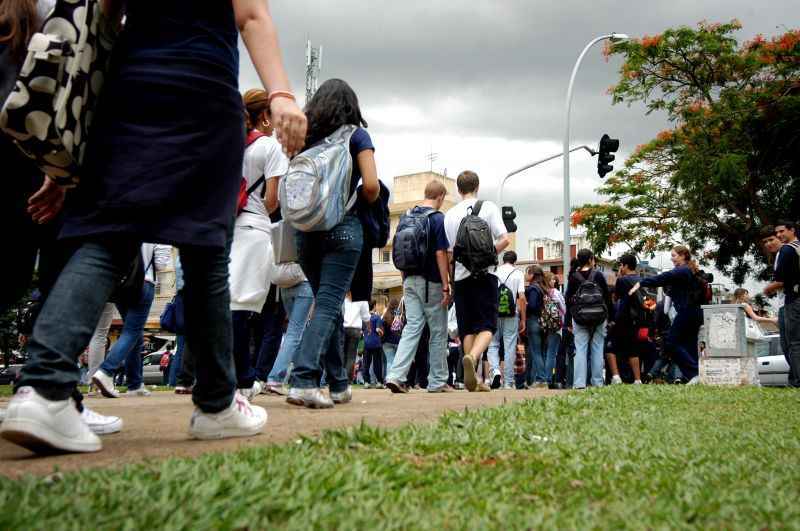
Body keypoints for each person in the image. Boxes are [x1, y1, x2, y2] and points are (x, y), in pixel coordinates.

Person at [1, 0, 307, 454]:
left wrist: (69, 145)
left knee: (107, 238)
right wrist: (280, 93)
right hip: (202, 85)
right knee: (206, 251)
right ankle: (217, 404)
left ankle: (42, 388)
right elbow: (250, 15)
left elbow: (102, 20)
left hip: (127, 89)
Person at [286, 79, 379, 409]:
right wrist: (368, 197)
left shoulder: (304, 135)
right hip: (343, 228)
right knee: (328, 304)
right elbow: (370, 185)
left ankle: (339, 384)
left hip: (305, 232)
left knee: (328, 304)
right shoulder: (357, 135)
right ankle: (303, 379)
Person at [229, 88, 290, 400]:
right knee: (243, 305)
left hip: (227, 227)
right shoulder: (269, 147)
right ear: (265, 116)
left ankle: (230, 375)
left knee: (230, 302)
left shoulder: (230, 141)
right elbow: (272, 199)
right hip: (255, 227)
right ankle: (242, 378)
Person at [444, 171, 510, 392]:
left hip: (461, 277)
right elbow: (505, 239)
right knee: (488, 325)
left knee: (468, 328)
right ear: (477, 187)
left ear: (458, 189)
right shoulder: (489, 207)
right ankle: (472, 358)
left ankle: (475, 380)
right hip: (486, 274)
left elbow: (451, 252)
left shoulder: (449, 215)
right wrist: (488, 256)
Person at [385, 180, 451, 393]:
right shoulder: (437, 218)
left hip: (409, 279)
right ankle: (438, 380)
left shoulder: (406, 216)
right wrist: (445, 284)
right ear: (440, 196)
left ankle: (396, 375)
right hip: (430, 280)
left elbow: (401, 249)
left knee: (412, 327)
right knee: (438, 330)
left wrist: (404, 278)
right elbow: (441, 253)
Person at [92, 244, 172, 398]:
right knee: (132, 331)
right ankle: (106, 371)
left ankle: (135, 384)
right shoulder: (158, 226)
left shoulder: (122, 221)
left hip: (120, 284)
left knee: (135, 334)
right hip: (144, 282)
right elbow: (161, 264)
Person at [630, 245, 704, 385]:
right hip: (695, 312)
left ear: (683, 256)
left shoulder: (682, 270)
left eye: (674, 255)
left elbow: (664, 278)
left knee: (671, 342)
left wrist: (642, 282)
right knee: (688, 344)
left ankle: (694, 372)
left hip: (687, 312)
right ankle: (696, 376)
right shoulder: (689, 270)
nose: (672, 258)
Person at [565, 249, 612, 389]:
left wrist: (568, 320)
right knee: (597, 348)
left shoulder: (573, 277)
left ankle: (579, 383)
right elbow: (607, 297)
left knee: (580, 349)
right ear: (591, 259)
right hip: (599, 316)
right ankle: (597, 382)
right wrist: (609, 316)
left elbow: (568, 300)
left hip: (579, 317)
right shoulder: (598, 275)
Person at [764, 221, 800, 387]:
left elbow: (780, 281)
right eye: (777, 232)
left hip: (792, 299)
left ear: (792, 230)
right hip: (791, 299)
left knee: (792, 343)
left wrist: (767, 289)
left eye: (782, 231)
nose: (779, 235)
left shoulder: (787, 249)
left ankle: (796, 381)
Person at [487, 251, 526, 390]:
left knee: (492, 344)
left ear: (503, 260)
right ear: (515, 261)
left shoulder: (494, 271)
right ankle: (508, 382)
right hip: (512, 314)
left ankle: (495, 370)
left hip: (494, 313)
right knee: (509, 347)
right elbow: (521, 297)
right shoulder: (518, 273)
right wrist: (523, 319)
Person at [607, 254, 644, 385]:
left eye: (621, 265)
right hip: (637, 320)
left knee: (610, 347)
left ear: (626, 266)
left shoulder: (623, 280)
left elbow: (616, 298)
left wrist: (618, 278)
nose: (620, 268)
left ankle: (616, 377)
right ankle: (638, 379)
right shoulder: (641, 279)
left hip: (623, 318)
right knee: (633, 350)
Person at [342, 292, 370, 383]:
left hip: (342, 328)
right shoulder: (362, 298)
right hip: (355, 329)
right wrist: (369, 328)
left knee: (341, 355)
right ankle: (347, 380)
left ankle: (339, 378)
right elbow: (366, 317)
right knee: (351, 356)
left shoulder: (342, 296)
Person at [362, 300, 385, 389]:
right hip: (376, 343)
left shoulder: (364, 318)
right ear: (374, 306)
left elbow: (362, 330)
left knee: (366, 364)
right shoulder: (377, 317)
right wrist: (381, 333)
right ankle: (379, 382)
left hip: (366, 343)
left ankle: (366, 382)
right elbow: (378, 330)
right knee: (377, 363)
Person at [381, 298, 402, 377]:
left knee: (389, 361)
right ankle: (396, 379)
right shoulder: (398, 314)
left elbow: (382, 328)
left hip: (386, 342)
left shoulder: (385, 315)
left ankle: (388, 379)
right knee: (398, 362)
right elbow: (400, 327)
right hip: (397, 341)